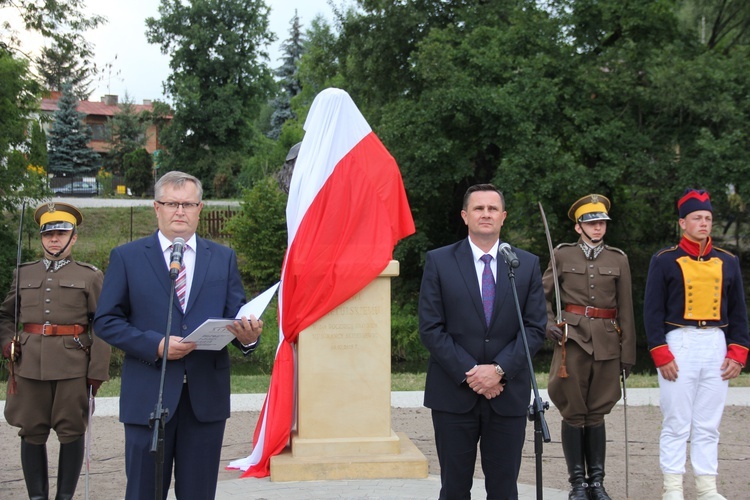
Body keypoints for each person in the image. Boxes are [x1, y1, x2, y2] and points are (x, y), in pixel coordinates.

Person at [93, 171, 263, 500]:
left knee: (198, 493)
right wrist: (155, 345)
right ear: (156, 208)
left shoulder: (223, 258)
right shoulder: (127, 257)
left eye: (188, 204)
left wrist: (248, 336)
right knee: (144, 491)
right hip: (149, 397)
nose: (180, 211)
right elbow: (106, 320)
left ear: (200, 208)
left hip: (205, 399)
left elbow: (238, 313)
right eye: (172, 203)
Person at [418, 183, 547, 499]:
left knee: (504, 489)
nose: (485, 214)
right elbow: (431, 328)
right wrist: (471, 372)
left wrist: (499, 369)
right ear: (465, 216)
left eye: (492, 209)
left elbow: (534, 328)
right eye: (478, 208)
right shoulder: (439, 261)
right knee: (454, 487)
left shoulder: (525, 264)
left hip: (507, 396)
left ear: (503, 217)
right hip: (453, 395)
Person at [0, 202, 111, 500]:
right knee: (31, 431)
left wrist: (97, 371)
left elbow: (103, 325)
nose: (54, 239)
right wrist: (6, 342)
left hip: (72, 367)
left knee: (71, 431)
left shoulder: (89, 276)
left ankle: (64, 497)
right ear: (41, 238)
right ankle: (37, 497)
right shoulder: (23, 273)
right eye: (48, 234)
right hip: (28, 365)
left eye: (61, 233)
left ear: (73, 238)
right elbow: (5, 316)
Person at [644, 189, 749, 500]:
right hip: (680, 341)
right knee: (676, 420)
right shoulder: (664, 260)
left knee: (708, 422)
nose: (704, 223)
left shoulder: (728, 261)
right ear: (682, 222)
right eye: (697, 218)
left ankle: (706, 488)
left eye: (708, 218)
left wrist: (738, 351)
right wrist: (660, 350)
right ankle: (673, 488)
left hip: (715, 341)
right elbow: (652, 310)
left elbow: (739, 312)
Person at [543, 194, 636, 500]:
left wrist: (628, 353)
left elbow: (626, 309)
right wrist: (547, 323)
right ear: (578, 227)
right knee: (573, 413)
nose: (598, 228)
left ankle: (597, 482)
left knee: (596, 414)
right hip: (573, 342)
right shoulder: (562, 255)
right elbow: (540, 295)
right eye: (591, 223)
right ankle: (577, 484)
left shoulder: (618, 259)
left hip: (608, 343)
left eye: (602, 223)